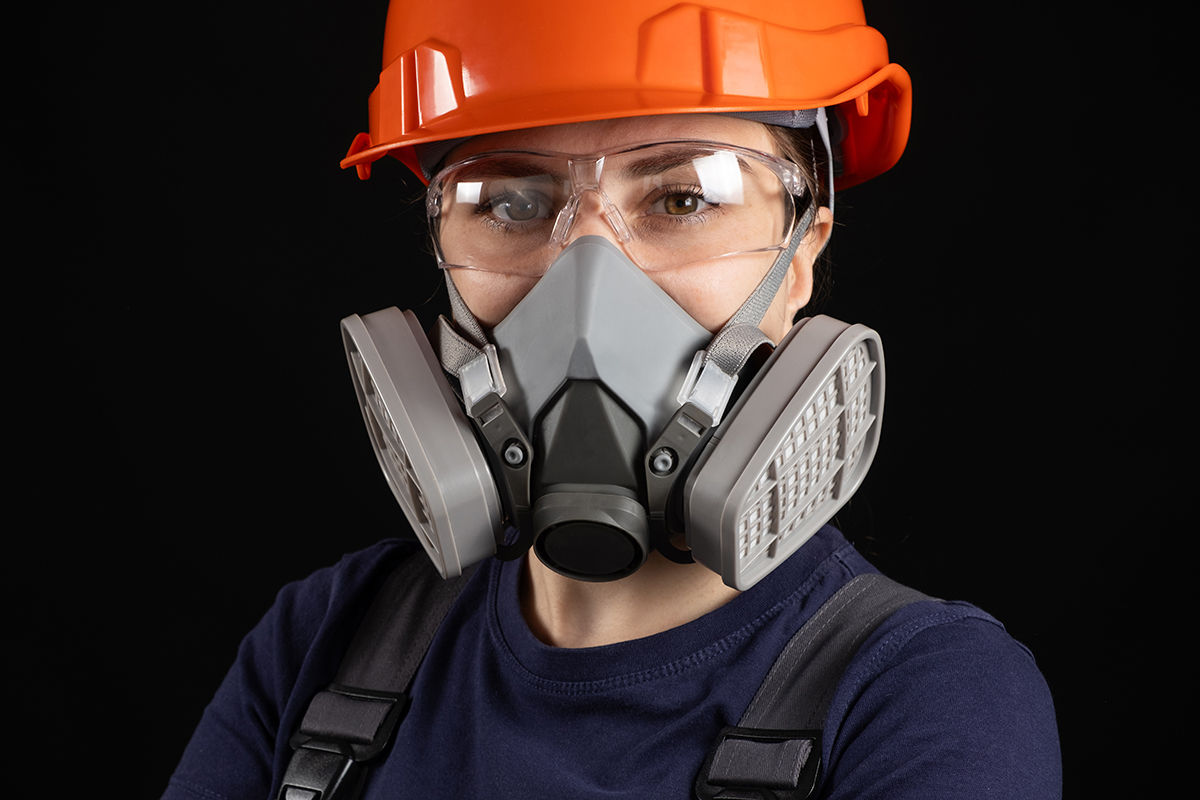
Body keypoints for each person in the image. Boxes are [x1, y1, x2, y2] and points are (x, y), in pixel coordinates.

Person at [163, 1, 1062, 798]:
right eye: (510, 203)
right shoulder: (325, 642)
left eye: (684, 199)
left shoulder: (924, 697)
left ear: (800, 257)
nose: (586, 284)